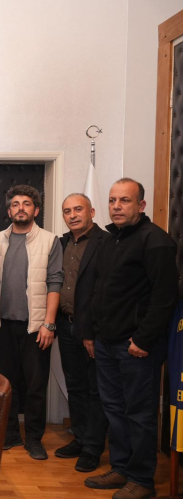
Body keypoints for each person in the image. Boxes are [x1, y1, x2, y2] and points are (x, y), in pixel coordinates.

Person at [83, 179, 177, 499]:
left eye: (124, 200)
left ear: (141, 205)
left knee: (139, 413)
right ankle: (121, 468)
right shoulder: (110, 239)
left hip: (137, 347)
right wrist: (92, 333)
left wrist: (144, 340)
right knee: (114, 409)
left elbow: (164, 298)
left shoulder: (156, 241)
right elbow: (99, 290)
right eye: (112, 200)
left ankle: (142, 479)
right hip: (106, 342)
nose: (116, 206)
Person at [0, 184, 63, 460]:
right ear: (9, 210)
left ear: (36, 210)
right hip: (1, 326)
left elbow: (55, 282)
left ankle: (34, 439)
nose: (20, 208)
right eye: (15, 204)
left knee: (36, 386)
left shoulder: (50, 240)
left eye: (26, 204)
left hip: (36, 327)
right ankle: (10, 434)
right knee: (5, 385)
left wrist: (49, 323)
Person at [54, 193, 109, 472]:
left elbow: (105, 290)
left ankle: (93, 448)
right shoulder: (61, 242)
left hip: (93, 328)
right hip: (66, 324)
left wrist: (92, 331)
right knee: (75, 385)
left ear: (92, 212)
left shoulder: (106, 242)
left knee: (96, 389)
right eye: (67, 211)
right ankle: (80, 437)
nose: (73, 215)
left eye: (78, 209)